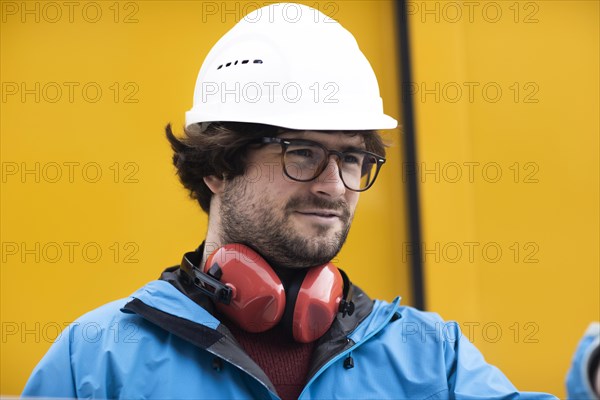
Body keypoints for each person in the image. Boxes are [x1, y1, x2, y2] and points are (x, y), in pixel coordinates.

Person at [23, 3, 560, 399]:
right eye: (301, 153)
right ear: (216, 166)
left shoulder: (431, 357)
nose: (334, 186)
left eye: (351, 158)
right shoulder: (96, 359)